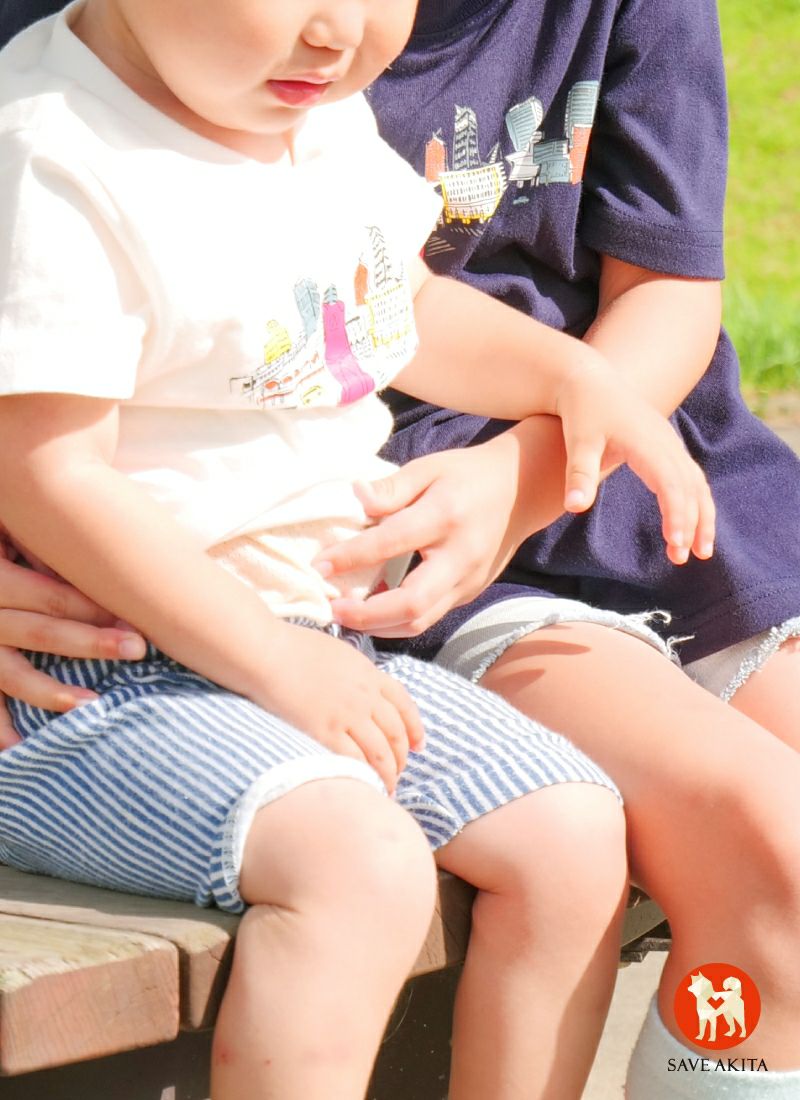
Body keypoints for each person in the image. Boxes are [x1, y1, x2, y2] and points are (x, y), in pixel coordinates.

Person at [0, 3, 717, 1099]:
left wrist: (574, 378)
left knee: (571, 837)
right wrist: (274, 660)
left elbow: (403, 306)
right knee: (361, 870)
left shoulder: (311, 118)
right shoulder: (54, 150)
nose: (341, 30)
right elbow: (48, 473)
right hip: (98, 677)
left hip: (310, 643)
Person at [302, 2, 800, 1096]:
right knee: (773, 845)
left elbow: (665, 289)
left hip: (641, 461)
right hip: (409, 514)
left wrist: (527, 476)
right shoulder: (267, 32)